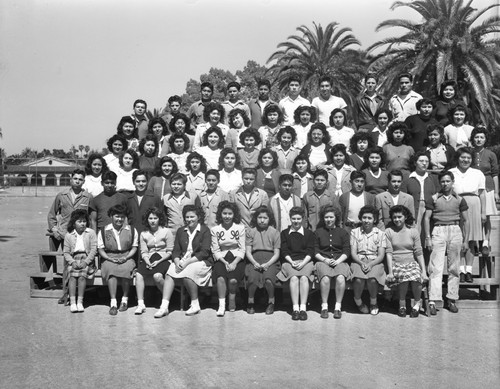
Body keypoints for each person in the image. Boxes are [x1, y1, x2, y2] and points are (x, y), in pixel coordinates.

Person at [424, 171, 469, 314]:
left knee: (454, 267)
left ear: (452, 181)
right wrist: (428, 237)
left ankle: (451, 298)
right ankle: (433, 300)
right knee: (436, 267)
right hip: (438, 230)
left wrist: (466, 240)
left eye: (448, 181)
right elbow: (426, 218)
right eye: (442, 181)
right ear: (440, 183)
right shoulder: (434, 198)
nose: (445, 184)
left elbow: (466, 220)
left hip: (455, 230)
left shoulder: (460, 199)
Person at [161, 205, 213, 316]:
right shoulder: (181, 231)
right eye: (187, 217)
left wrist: (186, 262)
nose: (189, 219)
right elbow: (176, 250)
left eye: (192, 217)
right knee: (170, 272)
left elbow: (205, 252)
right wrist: (176, 261)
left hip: (200, 261)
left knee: (189, 272)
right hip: (182, 261)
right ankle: (164, 306)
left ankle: (195, 305)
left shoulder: (205, 230)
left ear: (198, 217)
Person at [449, 147, 486, 282]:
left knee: (471, 239)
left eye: (468, 158)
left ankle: (468, 270)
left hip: (474, 203)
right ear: (458, 158)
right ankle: (459, 270)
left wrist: (483, 212)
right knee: (459, 238)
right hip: (457, 203)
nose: (465, 160)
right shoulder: (451, 172)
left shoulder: (477, 173)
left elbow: (482, 195)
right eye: (463, 157)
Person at [385, 205, 428, 317]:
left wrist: (423, 271)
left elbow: (418, 252)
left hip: (411, 263)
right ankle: (402, 305)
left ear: (405, 217)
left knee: (416, 277)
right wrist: (390, 272)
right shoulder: (389, 232)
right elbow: (389, 253)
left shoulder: (413, 232)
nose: (397, 219)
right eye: (394, 217)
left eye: (400, 217)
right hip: (396, 263)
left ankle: (417, 304)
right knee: (403, 277)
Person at [97, 204, 138, 315]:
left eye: (122, 216)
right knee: (111, 272)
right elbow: (100, 249)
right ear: (111, 216)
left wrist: (126, 257)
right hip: (109, 256)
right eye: (116, 216)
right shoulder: (104, 230)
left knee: (126, 269)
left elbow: (134, 247)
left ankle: (124, 300)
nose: (119, 219)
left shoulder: (131, 230)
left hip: (126, 256)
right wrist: (109, 258)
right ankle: (113, 303)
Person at [277, 206, 315, 321]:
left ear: (303, 219)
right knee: (294, 278)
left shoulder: (309, 233)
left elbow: (310, 250)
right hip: (290, 261)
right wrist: (291, 262)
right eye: (294, 219)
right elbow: (284, 250)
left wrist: (303, 263)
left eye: (298, 219)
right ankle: (295, 309)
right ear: (290, 219)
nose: (296, 221)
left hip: (306, 261)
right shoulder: (284, 233)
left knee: (303, 278)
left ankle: (303, 308)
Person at [135, 207, 174, 316]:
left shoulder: (166, 231)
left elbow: (170, 251)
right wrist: (147, 261)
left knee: (157, 276)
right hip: (150, 258)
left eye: (155, 218)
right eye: (150, 218)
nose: (152, 221)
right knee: (138, 274)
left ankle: (166, 300)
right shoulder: (144, 234)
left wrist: (159, 261)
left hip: (164, 259)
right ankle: (140, 304)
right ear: (147, 220)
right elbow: (144, 251)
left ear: (159, 219)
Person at [314, 205, 351, 319]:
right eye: (326, 217)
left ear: (336, 218)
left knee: (340, 278)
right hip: (323, 261)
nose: (328, 220)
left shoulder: (343, 232)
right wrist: (325, 260)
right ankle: (324, 307)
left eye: (331, 217)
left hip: (340, 260)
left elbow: (346, 251)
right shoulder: (318, 232)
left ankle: (337, 307)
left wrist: (338, 261)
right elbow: (315, 251)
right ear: (323, 218)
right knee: (325, 278)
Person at [211, 201, 246, 316]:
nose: (227, 216)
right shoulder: (215, 229)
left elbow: (242, 249)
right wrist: (225, 262)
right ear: (220, 214)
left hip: (237, 258)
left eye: (230, 214)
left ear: (234, 215)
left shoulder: (240, 228)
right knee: (221, 278)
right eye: (224, 213)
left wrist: (235, 263)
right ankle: (221, 305)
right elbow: (215, 250)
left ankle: (232, 298)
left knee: (233, 281)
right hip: (222, 258)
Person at [350, 205, 387, 315]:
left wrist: (371, 264)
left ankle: (373, 302)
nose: (366, 221)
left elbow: (381, 255)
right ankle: (358, 301)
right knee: (358, 279)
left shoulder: (380, 234)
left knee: (372, 279)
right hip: (359, 260)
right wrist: (361, 263)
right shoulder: (355, 232)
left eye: (369, 218)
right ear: (361, 218)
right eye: (364, 218)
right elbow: (353, 252)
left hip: (374, 261)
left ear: (374, 219)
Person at [245, 206, 281, 315]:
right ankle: (250, 302)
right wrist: (254, 262)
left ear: (269, 219)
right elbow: (248, 251)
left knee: (269, 279)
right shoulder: (251, 231)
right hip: (254, 259)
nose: (262, 220)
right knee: (252, 279)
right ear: (256, 218)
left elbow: (277, 253)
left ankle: (271, 302)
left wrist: (268, 263)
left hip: (270, 259)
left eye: (265, 218)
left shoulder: (275, 232)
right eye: (259, 217)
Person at [470, 126, 500, 255]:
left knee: (486, 216)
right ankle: (476, 242)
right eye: (476, 137)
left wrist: (497, 192)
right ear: (472, 139)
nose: (479, 139)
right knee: (475, 216)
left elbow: (495, 174)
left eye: (481, 137)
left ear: (485, 139)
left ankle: (486, 242)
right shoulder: (469, 152)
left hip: (487, 186)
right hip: (473, 187)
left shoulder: (491, 154)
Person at [48, 169, 92, 253]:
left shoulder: (88, 197)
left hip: (82, 235)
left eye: (80, 179)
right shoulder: (61, 196)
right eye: (75, 179)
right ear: (71, 179)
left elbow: (91, 218)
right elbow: (51, 214)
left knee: (81, 259)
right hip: (64, 234)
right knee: (67, 260)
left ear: (83, 181)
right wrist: (54, 229)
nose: (77, 181)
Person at [63, 209, 97, 313]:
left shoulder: (90, 233)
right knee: (72, 276)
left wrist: (86, 262)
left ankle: (80, 302)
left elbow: (93, 249)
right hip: (74, 259)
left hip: (87, 259)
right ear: (74, 223)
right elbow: (66, 252)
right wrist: (72, 262)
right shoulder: (69, 235)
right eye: (79, 221)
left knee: (82, 276)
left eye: (84, 221)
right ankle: (73, 302)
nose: (82, 224)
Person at [405, 151, 439, 238]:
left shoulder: (433, 178)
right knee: (415, 232)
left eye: (427, 161)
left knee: (428, 233)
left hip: (429, 208)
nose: (424, 163)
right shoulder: (408, 178)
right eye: (421, 161)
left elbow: (439, 192)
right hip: (414, 208)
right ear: (415, 162)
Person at [163, 173, 201, 237]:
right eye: (173, 184)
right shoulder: (165, 198)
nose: (176, 186)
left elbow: (200, 215)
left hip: (191, 233)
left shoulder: (193, 197)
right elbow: (164, 217)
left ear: (184, 185)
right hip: (172, 234)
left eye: (179, 184)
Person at [125, 170, 162, 235]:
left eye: (143, 181)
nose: (141, 184)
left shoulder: (155, 198)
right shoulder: (128, 199)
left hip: (150, 235)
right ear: (133, 182)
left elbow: (161, 218)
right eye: (138, 181)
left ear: (147, 182)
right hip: (132, 235)